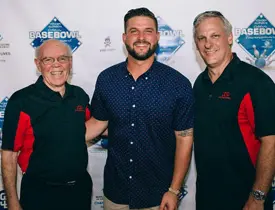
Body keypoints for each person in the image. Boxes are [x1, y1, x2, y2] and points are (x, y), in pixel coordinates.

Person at [85, 7, 194, 210]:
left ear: (157, 36)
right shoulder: (107, 79)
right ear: (125, 37)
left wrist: (174, 190)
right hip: (115, 194)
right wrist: (57, 139)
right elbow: (97, 124)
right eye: (134, 31)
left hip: (158, 196)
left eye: (148, 31)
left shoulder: (178, 84)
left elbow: (184, 138)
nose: (141, 37)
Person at [193, 11, 275, 210]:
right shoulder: (199, 84)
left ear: (229, 38)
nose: (207, 44)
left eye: (215, 36)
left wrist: (258, 196)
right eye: (201, 38)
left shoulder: (256, 82)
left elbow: (271, 141)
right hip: (206, 197)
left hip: (246, 200)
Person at [1, 39, 92, 210]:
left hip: (79, 191)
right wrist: (13, 202)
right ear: (38, 64)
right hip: (39, 194)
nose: (56, 65)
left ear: (70, 63)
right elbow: (9, 155)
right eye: (48, 60)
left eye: (62, 58)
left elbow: (92, 127)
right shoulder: (21, 101)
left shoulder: (79, 96)